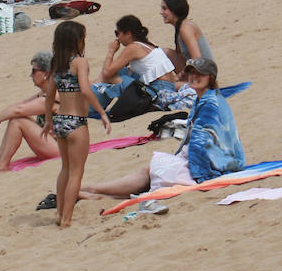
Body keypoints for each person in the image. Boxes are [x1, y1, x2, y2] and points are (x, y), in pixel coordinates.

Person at [79, 57, 244, 201]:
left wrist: (200, 175)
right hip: (210, 160)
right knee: (149, 174)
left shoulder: (210, 104)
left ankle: (93, 189)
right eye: (192, 73)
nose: (194, 77)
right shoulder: (205, 99)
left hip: (210, 166)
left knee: (150, 172)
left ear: (211, 78)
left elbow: (203, 142)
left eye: (200, 74)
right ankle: (94, 192)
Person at [44, 20, 112, 228]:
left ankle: (58, 213)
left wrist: (48, 120)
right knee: (76, 173)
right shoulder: (80, 62)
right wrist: (101, 112)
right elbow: (84, 89)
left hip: (60, 121)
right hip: (77, 123)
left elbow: (48, 96)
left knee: (65, 169)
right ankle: (66, 219)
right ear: (77, 41)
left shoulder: (57, 63)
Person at [0, 51, 60, 172]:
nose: (31, 75)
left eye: (34, 71)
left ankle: (1, 164)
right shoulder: (46, 93)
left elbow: (19, 110)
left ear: (45, 74)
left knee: (18, 120)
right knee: (16, 118)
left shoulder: (54, 95)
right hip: (53, 144)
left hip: (61, 150)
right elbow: (20, 104)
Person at [159, 0, 214, 76]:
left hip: (205, 74)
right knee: (164, 52)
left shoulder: (185, 28)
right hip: (201, 69)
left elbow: (197, 58)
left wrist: (179, 76)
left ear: (174, 9)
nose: (161, 12)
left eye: (164, 9)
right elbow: (180, 55)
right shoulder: (181, 26)